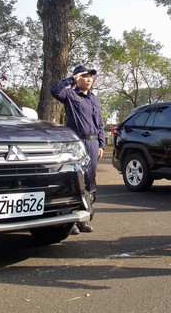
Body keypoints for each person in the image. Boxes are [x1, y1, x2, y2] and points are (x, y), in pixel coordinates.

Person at [51, 65, 105, 234]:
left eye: (91, 77)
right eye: (85, 76)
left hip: (93, 143)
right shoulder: (70, 95)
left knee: (89, 182)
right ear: (77, 78)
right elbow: (55, 90)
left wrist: (101, 144)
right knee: (74, 181)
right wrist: (71, 80)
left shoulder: (94, 99)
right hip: (76, 143)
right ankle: (70, 220)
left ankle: (84, 218)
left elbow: (100, 123)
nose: (89, 79)